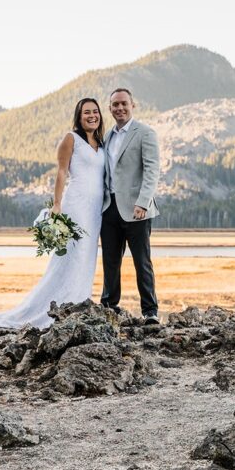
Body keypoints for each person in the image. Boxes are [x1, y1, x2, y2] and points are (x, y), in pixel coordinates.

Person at [0, 99, 105, 329]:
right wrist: (57, 204)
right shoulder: (71, 139)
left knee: (86, 259)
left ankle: (77, 304)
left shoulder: (101, 142)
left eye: (95, 111)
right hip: (76, 206)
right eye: (86, 112)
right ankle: (51, 309)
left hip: (95, 211)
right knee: (70, 257)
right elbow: (61, 172)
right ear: (79, 116)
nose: (92, 115)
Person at [100, 87, 161, 323]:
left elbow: (152, 170)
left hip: (137, 209)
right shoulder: (107, 136)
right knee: (110, 260)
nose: (120, 108)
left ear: (132, 105)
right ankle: (109, 306)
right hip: (110, 207)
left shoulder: (145, 132)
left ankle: (150, 312)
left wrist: (143, 203)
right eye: (115, 104)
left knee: (141, 261)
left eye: (124, 103)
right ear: (110, 108)